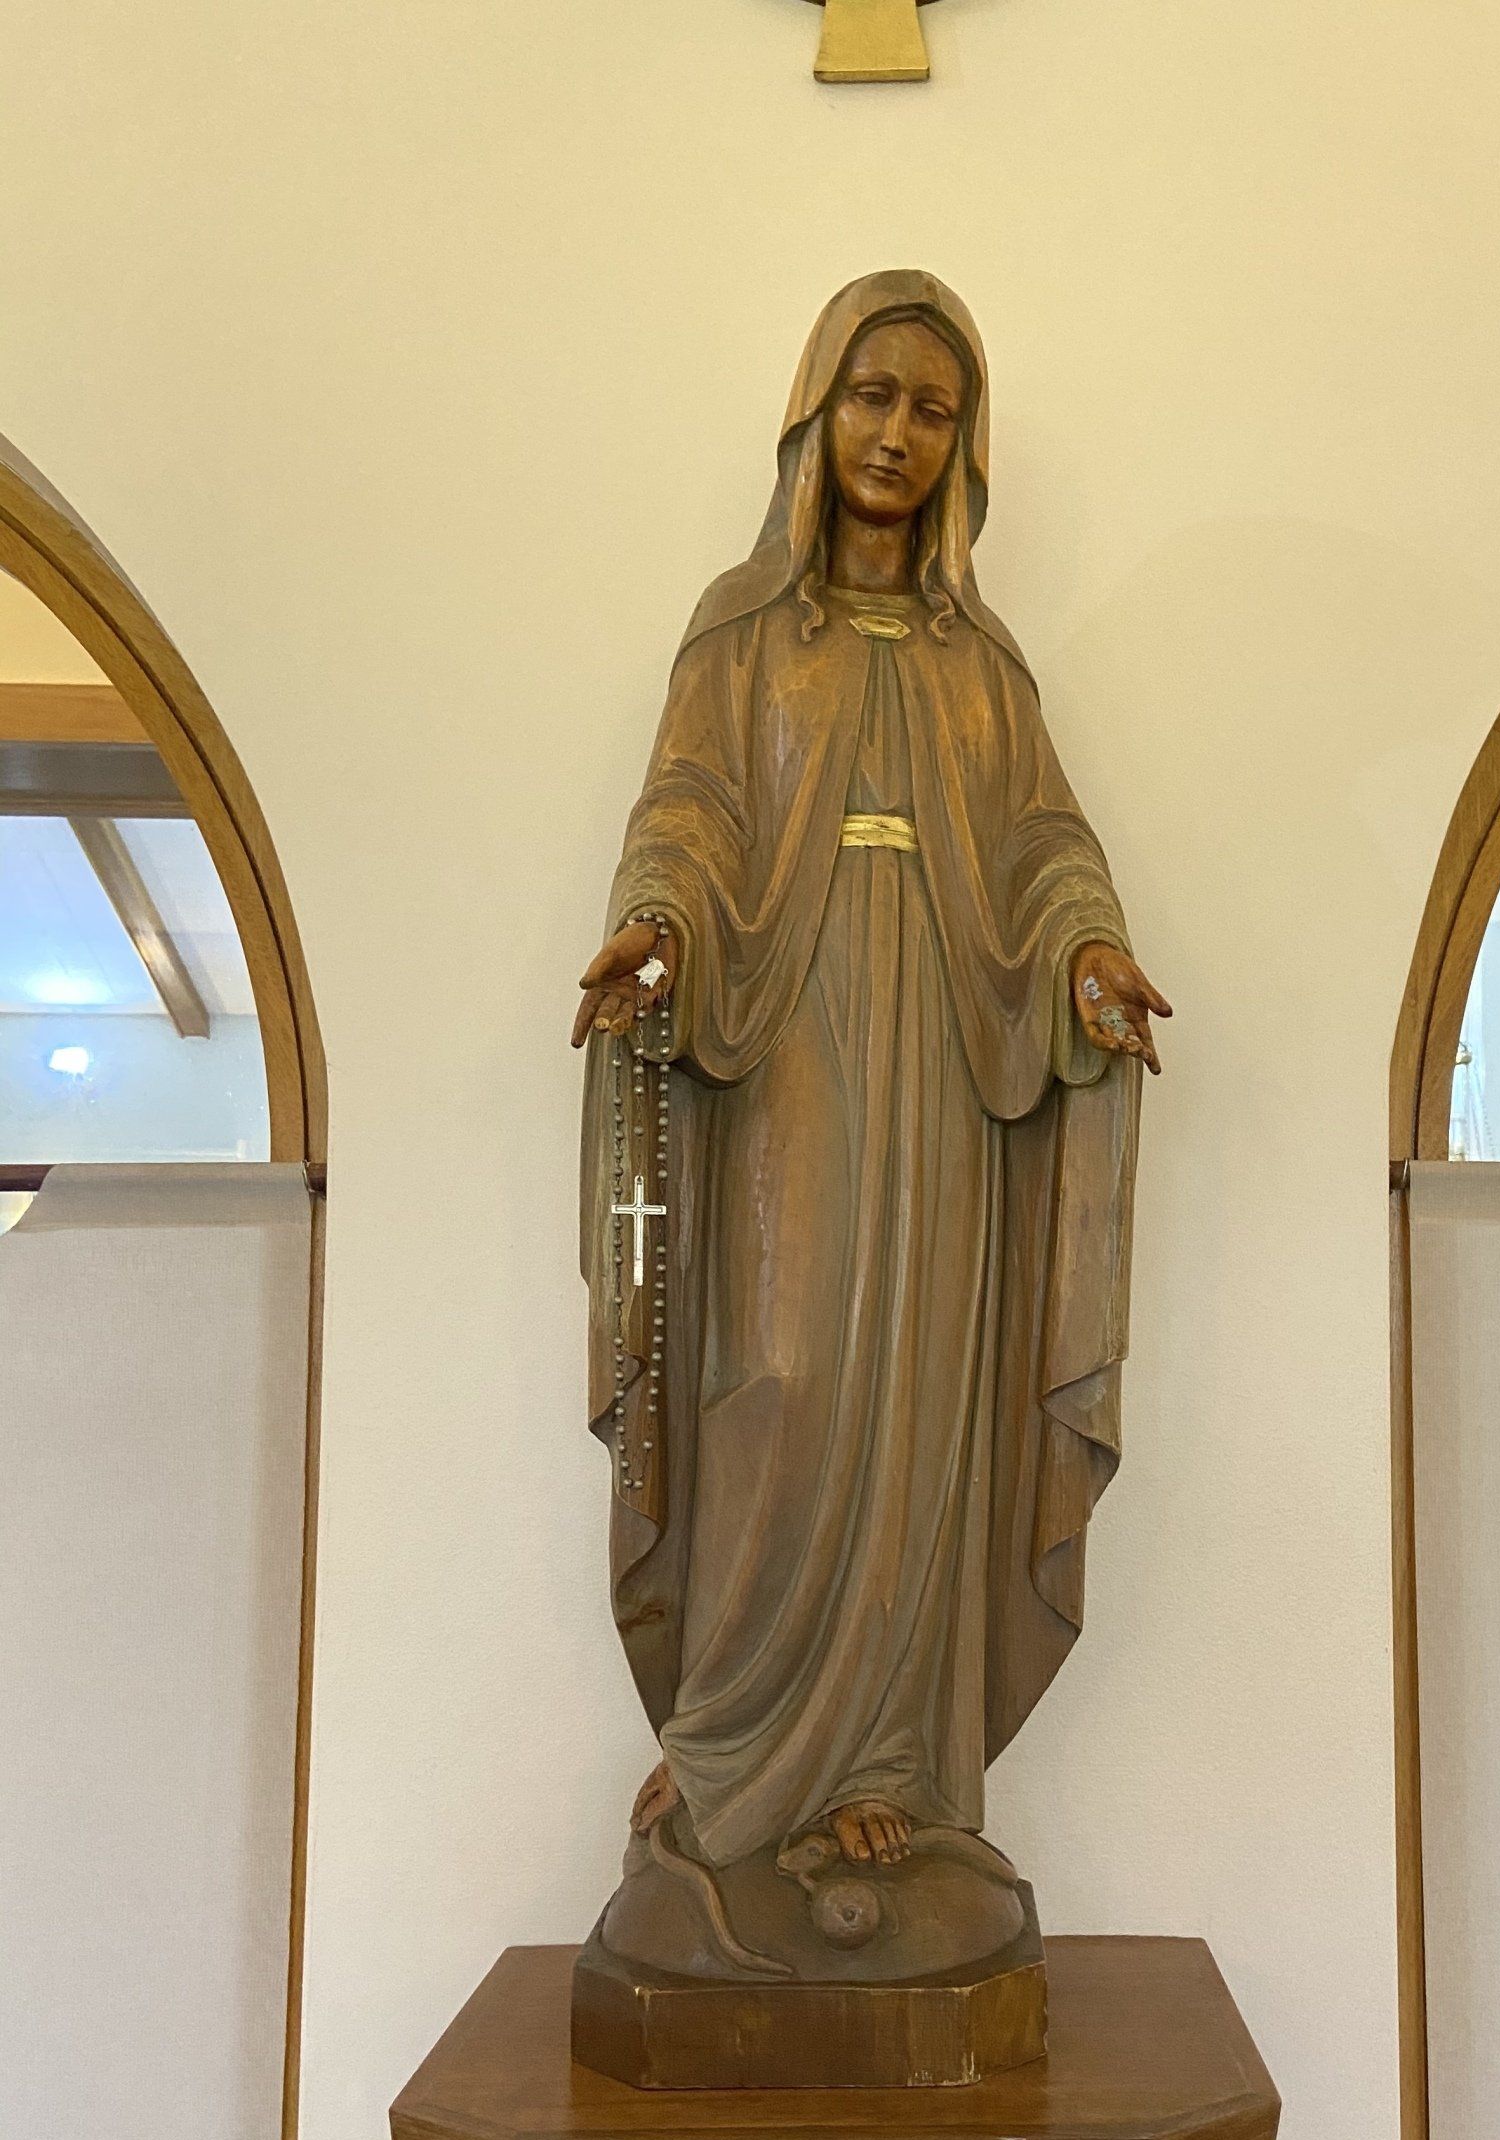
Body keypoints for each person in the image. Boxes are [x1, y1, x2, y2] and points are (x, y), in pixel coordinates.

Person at [574, 271, 1166, 1886]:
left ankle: (886, 1756)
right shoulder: (744, 632)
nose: (898, 434)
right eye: (872, 397)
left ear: (965, 445)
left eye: (933, 410)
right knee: (779, 1374)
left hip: (951, 1064)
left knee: (917, 1398)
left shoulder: (986, 667)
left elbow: (1044, 843)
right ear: (815, 413)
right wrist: (656, 923)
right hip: (783, 1037)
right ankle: (731, 1738)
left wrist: (1088, 952)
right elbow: (689, 807)